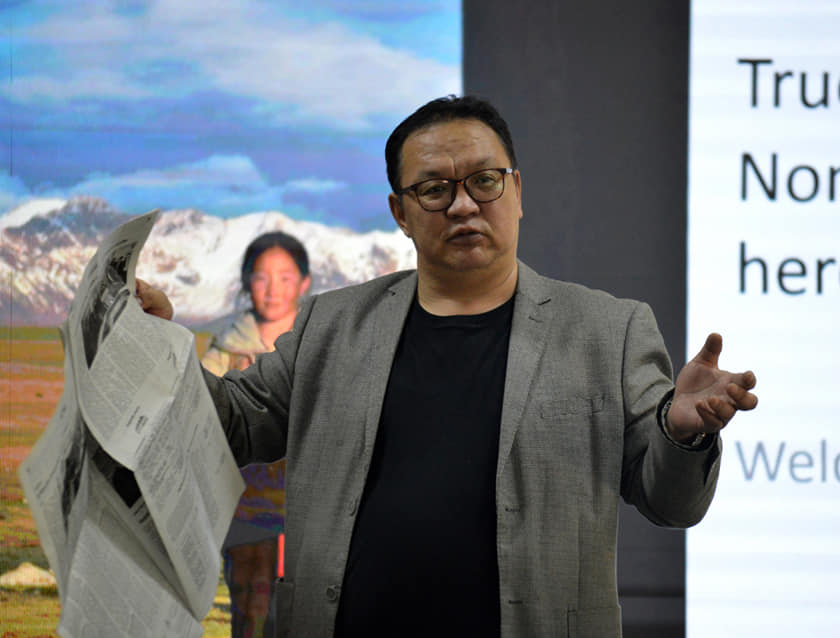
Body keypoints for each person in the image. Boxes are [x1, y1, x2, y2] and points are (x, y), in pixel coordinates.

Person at [138, 95, 758, 638]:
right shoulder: (331, 324)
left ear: (517, 191)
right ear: (400, 212)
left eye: (485, 181)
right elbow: (231, 422)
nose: (463, 205)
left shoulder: (607, 331)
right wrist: (156, 346)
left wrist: (682, 432)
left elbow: (672, 504)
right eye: (434, 189)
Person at [200, 232, 311, 638]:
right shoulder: (224, 351)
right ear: (247, 282)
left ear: (304, 283)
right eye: (262, 277)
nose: (272, 289)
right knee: (251, 611)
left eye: (285, 277)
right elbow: (204, 416)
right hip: (245, 509)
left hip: (308, 510)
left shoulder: (319, 342)